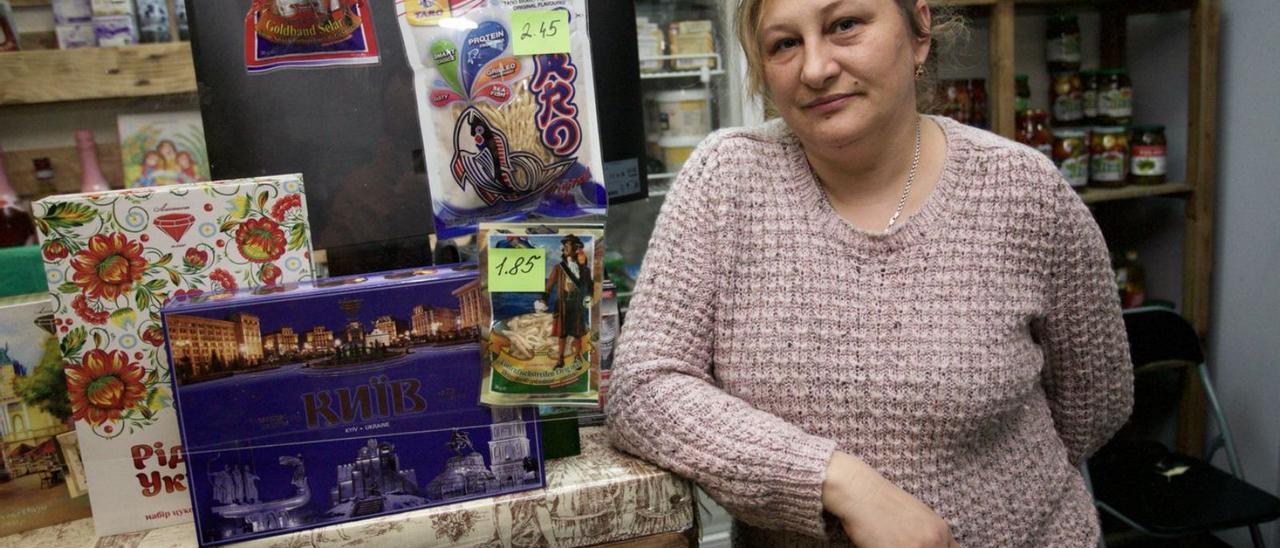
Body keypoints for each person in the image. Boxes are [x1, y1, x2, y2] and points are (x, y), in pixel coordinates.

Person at [604, 0, 1134, 546]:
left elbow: (1095, 402)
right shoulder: (727, 181)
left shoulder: (1023, 191)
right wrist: (840, 482)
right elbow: (643, 387)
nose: (815, 69)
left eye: (845, 26)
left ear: (919, 30)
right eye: (784, 44)